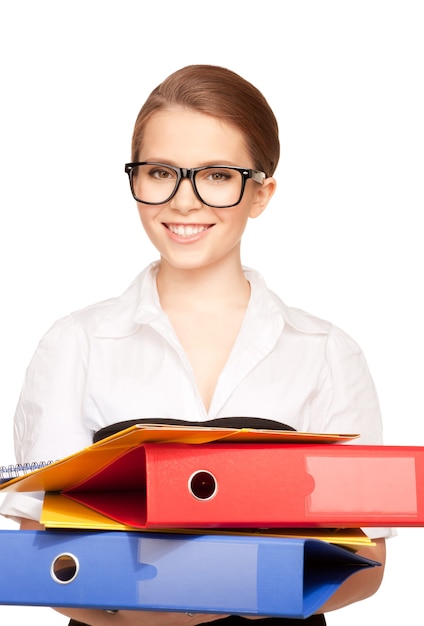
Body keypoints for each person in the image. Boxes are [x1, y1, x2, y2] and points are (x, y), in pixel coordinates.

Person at [0, 64, 392, 625]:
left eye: (216, 175)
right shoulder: (74, 345)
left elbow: (367, 559)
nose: (184, 201)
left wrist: (224, 601)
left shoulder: (327, 351)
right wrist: (144, 619)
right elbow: (40, 549)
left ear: (261, 193)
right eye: (161, 172)